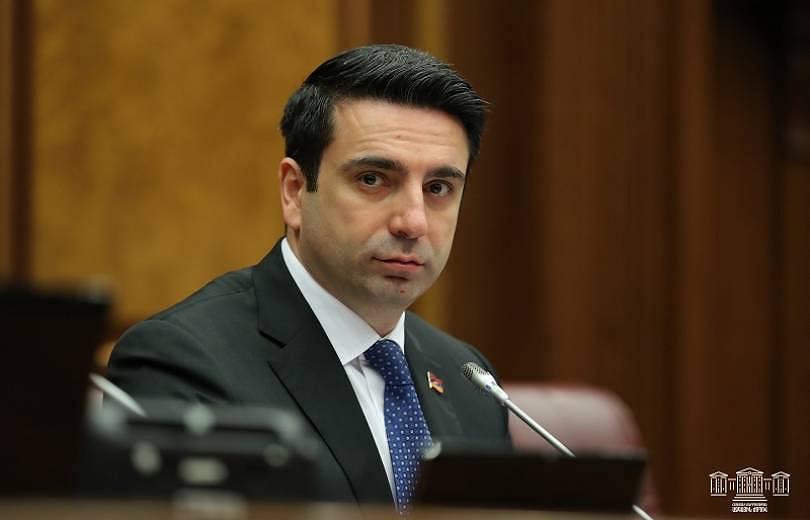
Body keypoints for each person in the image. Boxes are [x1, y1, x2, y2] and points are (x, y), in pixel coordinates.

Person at [107, 44, 510, 510]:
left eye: (438, 188)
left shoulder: (470, 382)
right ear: (295, 192)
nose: (413, 222)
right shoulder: (182, 361)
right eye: (373, 179)